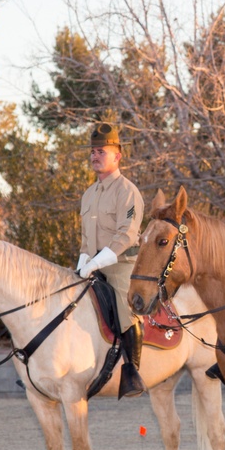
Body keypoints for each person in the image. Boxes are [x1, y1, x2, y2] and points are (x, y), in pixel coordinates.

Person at [77, 122, 146, 398]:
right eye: (93, 151)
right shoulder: (88, 195)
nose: (95, 156)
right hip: (92, 264)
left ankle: (132, 371)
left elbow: (126, 234)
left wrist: (96, 263)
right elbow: (85, 238)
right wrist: (84, 263)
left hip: (121, 265)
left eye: (102, 151)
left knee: (125, 306)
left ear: (117, 156)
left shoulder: (127, 191)